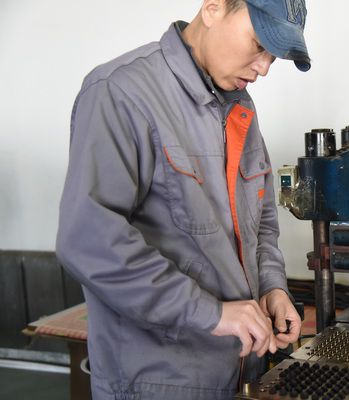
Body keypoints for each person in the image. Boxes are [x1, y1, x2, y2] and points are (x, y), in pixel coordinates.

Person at [56, 0, 310, 398]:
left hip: (241, 371)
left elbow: (260, 222)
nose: (263, 68)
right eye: (259, 44)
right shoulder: (120, 92)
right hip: (157, 382)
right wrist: (211, 313)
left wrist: (272, 288)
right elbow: (89, 241)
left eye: (274, 57)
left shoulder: (239, 105)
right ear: (213, 8)